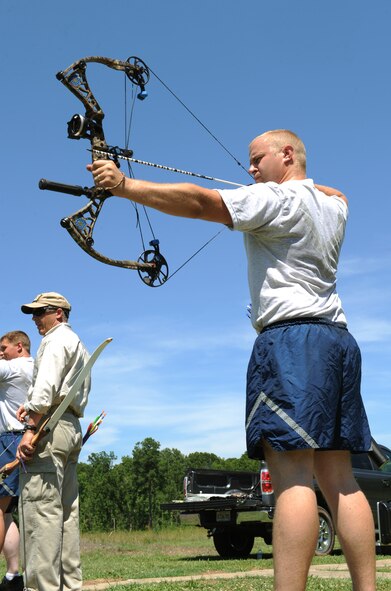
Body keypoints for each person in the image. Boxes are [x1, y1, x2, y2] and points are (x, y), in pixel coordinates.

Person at [88, 129, 376, 591]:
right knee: (339, 477)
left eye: (257, 159)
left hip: (291, 343)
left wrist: (123, 186)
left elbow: (201, 203)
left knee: (292, 478)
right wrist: (304, 182)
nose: (250, 169)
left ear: (287, 155)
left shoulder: (277, 202)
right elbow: (336, 190)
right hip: (337, 340)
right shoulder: (333, 207)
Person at [16, 292, 90, 591]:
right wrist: (30, 404)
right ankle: (69, 585)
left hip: (51, 428)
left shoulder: (55, 340)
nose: (35, 319)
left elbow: (46, 386)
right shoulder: (77, 343)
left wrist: (30, 428)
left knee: (41, 513)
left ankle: (42, 587)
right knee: (66, 514)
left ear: (58, 313)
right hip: (70, 427)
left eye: (41, 312)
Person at [0, 331, 34, 591]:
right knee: (6, 511)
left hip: (10, 440)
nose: (1, 353)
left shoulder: (12, 368)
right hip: (26, 438)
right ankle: (13, 575)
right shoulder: (38, 367)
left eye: (4, 348)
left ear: (19, 346)